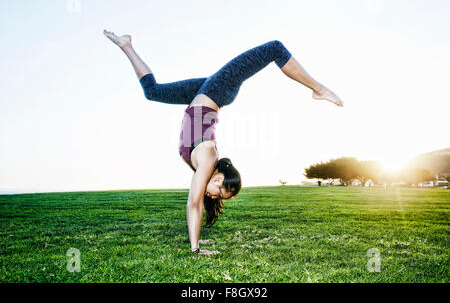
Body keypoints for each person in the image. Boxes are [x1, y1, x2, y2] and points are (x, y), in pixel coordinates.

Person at [103, 30, 344, 254]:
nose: (215, 194)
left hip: (205, 93)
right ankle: (318, 89)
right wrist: (196, 250)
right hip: (217, 90)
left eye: (219, 195)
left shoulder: (203, 167)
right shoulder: (208, 160)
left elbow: (197, 203)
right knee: (274, 48)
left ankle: (126, 45)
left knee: (153, 92)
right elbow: (194, 203)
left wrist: (196, 238)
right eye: (219, 189)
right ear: (218, 176)